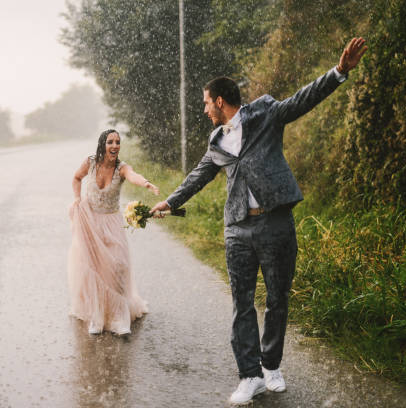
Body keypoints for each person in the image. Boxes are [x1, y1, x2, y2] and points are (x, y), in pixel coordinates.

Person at [151, 38, 367, 405]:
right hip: (236, 228)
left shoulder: (265, 113)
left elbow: (302, 99)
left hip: (274, 222)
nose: (204, 110)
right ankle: (249, 375)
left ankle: (272, 366)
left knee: (278, 298)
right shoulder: (216, 140)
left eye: (206, 103)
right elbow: (199, 175)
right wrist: (170, 202)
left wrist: (339, 72)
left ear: (220, 100)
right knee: (242, 302)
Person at [68, 129, 159, 335]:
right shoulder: (90, 163)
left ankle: (119, 318)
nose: (115, 146)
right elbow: (76, 178)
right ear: (103, 144)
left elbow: (133, 175)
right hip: (90, 222)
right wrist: (76, 198)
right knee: (94, 270)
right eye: (110, 142)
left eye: (118, 142)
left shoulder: (121, 168)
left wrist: (145, 183)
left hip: (111, 222)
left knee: (118, 267)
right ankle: (97, 317)